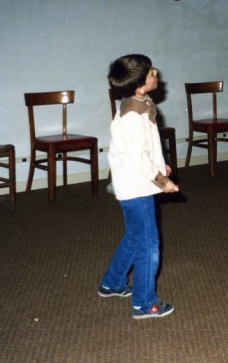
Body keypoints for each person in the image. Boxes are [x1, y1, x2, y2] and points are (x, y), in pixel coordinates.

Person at [98, 54, 179, 319]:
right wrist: (162, 180)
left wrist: (161, 166)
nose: (156, 74)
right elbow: (139, 157)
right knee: (149, 245)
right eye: (151, 73)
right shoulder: (132, 115)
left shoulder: (139, 103)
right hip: (137, 187)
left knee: (135, 236)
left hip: (137, 181)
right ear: (140, 86)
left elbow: (145, 148)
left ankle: (112, 283)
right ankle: (144, 303)